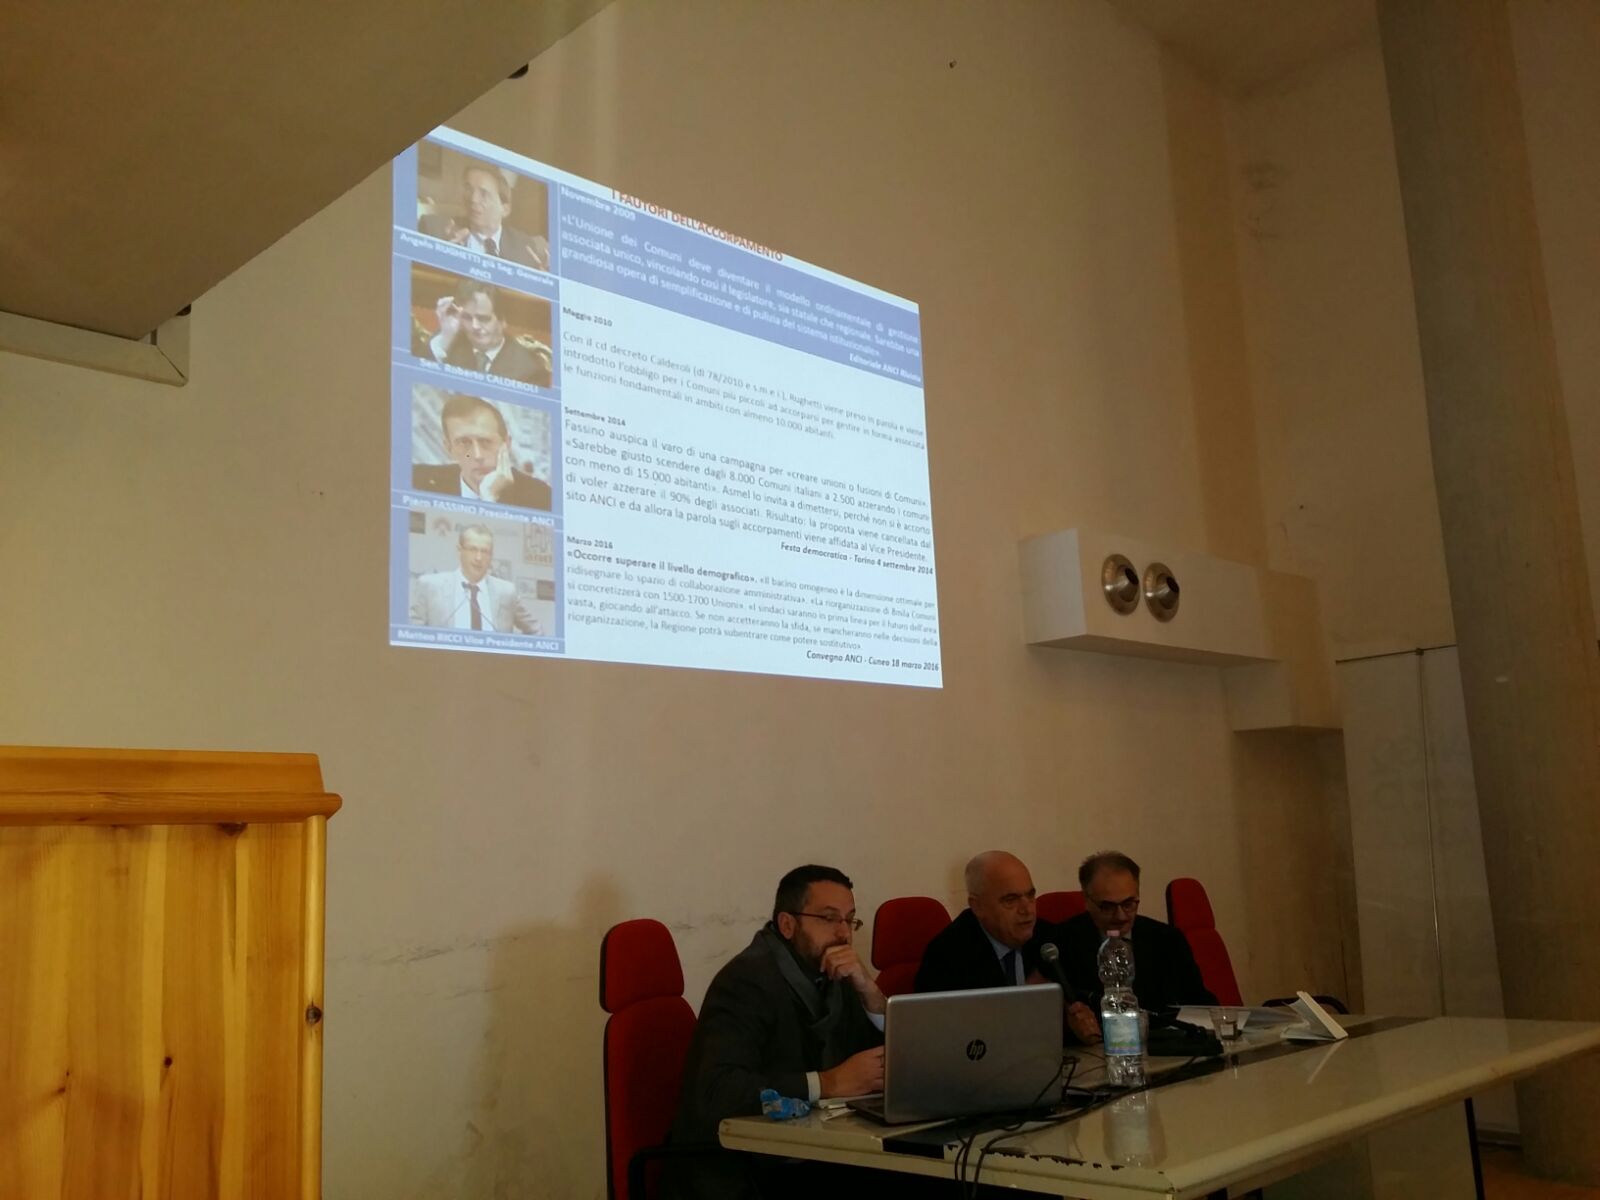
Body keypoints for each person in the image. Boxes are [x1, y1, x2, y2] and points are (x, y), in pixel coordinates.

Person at [667, 865, 887, 1199]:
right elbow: (717, 1091)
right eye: (829, 918)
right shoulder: (746, 982)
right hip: (741, 1170)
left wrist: (869, 991)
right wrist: (828, 1083)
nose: (844, 933)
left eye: (850, 919)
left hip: (814, 1152)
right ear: (787, 925)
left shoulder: (836, 974)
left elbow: (886, 1062)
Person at [915, 851, 1099, 1043]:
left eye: (1030, 896)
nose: (1027, 910)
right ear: (977, 906)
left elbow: (1082, 1005)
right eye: (1010, 900)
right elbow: (937, 1037)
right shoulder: (947, 955)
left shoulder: (1048, 941)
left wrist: (1074, 1026)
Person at [1051, 851, 1216, 1017]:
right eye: (1107, 907)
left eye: (1128, 904)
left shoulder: (1167, 939)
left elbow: (1200, 1003)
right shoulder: (1061, 943)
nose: (1121, 916)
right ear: (1087, 901)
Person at [413, 393, 552, 510]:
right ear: (449, 448)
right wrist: (488, 499)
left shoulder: (541, 497)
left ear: (507, 444)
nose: (478, 455)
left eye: (486, 442)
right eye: (464, 443)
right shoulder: (417, 480)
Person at [409, 523, 542, 634]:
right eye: (473, 549)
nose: (479, 558)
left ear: (491, 555)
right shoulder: (430, 586)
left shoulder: (506, 592)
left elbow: (537, 631)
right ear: (459, 551)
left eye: (485, 551)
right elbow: (412, 634)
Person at [420, 158, 550, 270]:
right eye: (468, 189)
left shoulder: (526, 249)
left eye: (484, 194)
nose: (473, 199)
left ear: (505, 209)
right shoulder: (434, 230)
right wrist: (442, 252)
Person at [424, 278, 553, 387]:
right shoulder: (447, 342)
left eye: (483, 319)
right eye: (467, 318)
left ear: (502, 321)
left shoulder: (530, 371)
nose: (475, 326)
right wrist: (445, 339)